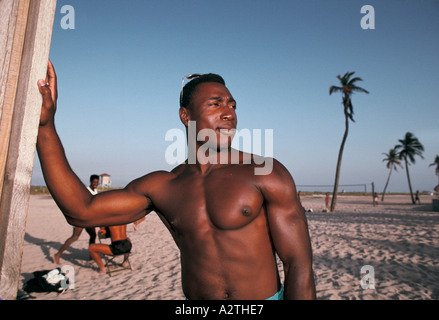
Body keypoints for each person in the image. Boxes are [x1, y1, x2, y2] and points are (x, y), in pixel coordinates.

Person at [37, 61, 316, 300]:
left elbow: (298, 264)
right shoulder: (165, 185)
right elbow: (81, 210)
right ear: (186, 116)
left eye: (232, 104)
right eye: (215, 104)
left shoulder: (264, 171)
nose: (229, 112)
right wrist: (46, 126)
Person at [52, 174, 100, 264]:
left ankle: (91, 256)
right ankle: (58, 254)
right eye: (94, 182)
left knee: (93, 235)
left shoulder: (95, 191)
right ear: (90, 182)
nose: (95, 184)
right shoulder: (86, 190)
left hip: (89, 218)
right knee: (75, 237)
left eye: (97, 182)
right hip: (80, 217)